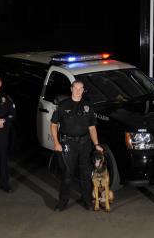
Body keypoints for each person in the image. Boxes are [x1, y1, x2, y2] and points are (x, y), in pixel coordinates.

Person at [51, 80, 103, 212]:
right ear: (71, 89)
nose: (78, 91)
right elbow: (53, 125)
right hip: (68, 144)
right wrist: (56, 143)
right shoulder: (62, 105)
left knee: (86, 175)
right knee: (67, 175)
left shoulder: (87, 106)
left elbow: (92, 127)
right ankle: (62, 202)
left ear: (83, 90)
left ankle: (87, 201)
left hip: (85, 144)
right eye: (76, 88)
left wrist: (96, 144)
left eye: (81, 88)